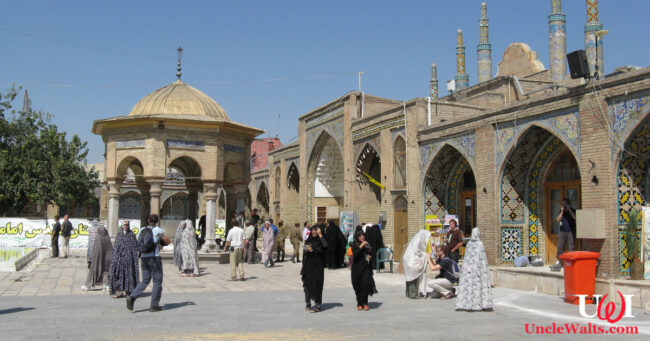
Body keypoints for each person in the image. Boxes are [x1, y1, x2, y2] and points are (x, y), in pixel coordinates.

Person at [127, 214, 165, 313]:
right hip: (154, 257)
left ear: (148, 220)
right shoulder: (158, 230)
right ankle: (154, 305)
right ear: (157, 221)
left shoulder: (142, 229)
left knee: (145, 280)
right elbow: (166, 240)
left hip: (144, 257)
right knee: (157, 281)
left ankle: (132, 297)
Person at [455, 227, 493, 311]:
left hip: (468, 269)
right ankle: (478, 305)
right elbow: (482, 258)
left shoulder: (468, 243)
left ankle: (466, 304)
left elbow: (467, 257)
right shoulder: (480, 244)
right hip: (478, 270)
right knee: (477, 286)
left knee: (468, 286)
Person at [301, 225, 328, 313]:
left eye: (315, 230)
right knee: (307, 284)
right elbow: (305, 251)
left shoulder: (321, 241)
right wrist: (306, 249)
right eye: (312, 230)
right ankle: (308, 303)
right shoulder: (309, 240)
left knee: (317, 285)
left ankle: (318, 305)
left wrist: (320, 235)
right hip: (308, 266)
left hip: (318, 267)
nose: (313, 232)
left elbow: (325, 246)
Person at [110, 220, 139, 299]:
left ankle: (128, 292)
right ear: (122, 226)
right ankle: (119, 292)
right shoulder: (119, 234)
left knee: (129, 276)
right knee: (119, 276)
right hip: (120, 260)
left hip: (129, 260)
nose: (125, 226)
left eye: (126, 225)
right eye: (124, 225)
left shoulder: (132, 234)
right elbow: (116, 247)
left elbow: (135, 246)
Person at [350, 230, 378, 311]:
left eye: (363, 236)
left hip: (365, 267)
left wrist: (369, 256)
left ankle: (365, 303)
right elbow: (355, 254)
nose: (362, 237)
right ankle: (359, 303)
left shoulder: (368, 245)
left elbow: (371, 253)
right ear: (357, 237)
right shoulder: (354, 244)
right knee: (357, 285)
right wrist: (362, 245)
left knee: (365, 284)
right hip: (356, 268)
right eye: (360, 236)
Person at [81, 224, 113, 293]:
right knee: (106, 272)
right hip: (108, 259)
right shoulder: (107, 237)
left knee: (94, 271)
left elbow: (96, 250)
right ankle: (106, 285)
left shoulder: (98, 237)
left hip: (98, 259)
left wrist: (91, 258)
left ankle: (88, 285)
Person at [402, 230, 431, 298]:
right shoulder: (418, 240)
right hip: (412, 260)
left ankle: (409, 293)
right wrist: (425, 255)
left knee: (409, 277)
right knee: (413, 277)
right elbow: (417, 250)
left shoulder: (417, 239)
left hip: (409, 259)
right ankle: (413, 294)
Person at [554, 198, 576, 269]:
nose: (564, 205)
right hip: (562, 232)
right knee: (560, 248)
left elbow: (575, 217)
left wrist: (569, 209)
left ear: (568, 204)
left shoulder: (572, 210)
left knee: (571, 248)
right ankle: (559, 262)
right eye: (563, 204)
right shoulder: (561, 211)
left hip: (570, 231)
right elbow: (558, 219)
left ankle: (571, 263)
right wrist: (562, 211)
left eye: (565, 204)